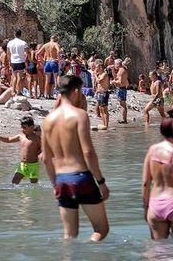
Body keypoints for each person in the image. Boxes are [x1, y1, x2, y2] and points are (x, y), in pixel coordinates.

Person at [41, 75, 110, 240]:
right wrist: (101, 182)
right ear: (77, 91)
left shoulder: (47, 121)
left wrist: (54, 184)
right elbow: (88, 153)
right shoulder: (79, 115)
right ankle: (90, 247)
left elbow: (45, 158)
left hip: (61, 181)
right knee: (101, 230)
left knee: (69, 236)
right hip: (80, 177)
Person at [142, 110, 173, 240]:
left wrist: (146, 207)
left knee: (158, 251)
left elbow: (145, 183)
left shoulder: (152, 150)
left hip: (155, 204)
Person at [0, 116, 42, 184]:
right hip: (22, 165)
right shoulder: (20, 136)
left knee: (33, 185)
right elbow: (8, 139)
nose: (22, 130)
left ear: (32, 127)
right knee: (14, 182)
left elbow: (43, 149)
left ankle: (31, 195)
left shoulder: (37, 139)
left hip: (33, 165)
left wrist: (40, 153)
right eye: (22, 127)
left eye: (24, 128)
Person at [7, 30, 28, 97]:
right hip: (20, 60)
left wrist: (9, 61)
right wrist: (29, 60)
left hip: (13, 61)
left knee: (14, 76)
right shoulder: (23, 43)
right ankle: (18, 91)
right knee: (19, 77)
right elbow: (27, 52)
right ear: (20, 34)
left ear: (14, 34)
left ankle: (13, 90)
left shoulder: (10, 43)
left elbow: (8, 53)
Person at [114, 58, 130, 123]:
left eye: (115, 64)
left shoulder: (121, 70)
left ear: (118, 64)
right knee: (123, 104)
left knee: (122, 104)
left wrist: (113, 82)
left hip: (121, 89)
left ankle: (124, 119)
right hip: (123, 88)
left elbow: (120, 82)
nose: (114, 65)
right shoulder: (123, 69)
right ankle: (124, 119)